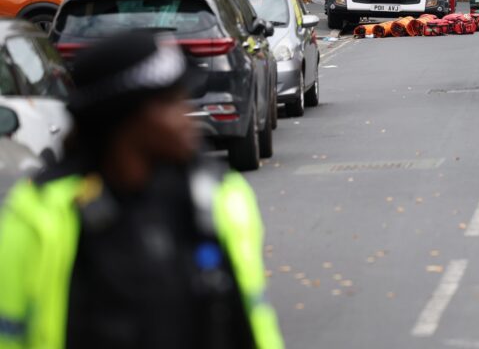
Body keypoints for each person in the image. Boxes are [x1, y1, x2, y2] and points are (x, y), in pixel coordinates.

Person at [0, 31, 284, 349]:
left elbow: (251, 320)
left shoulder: (220, 196)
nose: (186, 118)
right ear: (123, 119)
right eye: (170, 103)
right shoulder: (38, 215)